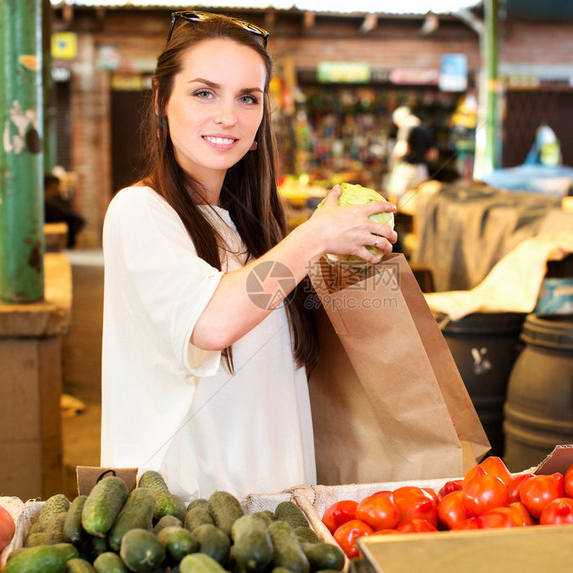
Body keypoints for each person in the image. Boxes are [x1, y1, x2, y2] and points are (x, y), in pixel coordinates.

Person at [100, 11, 397, 500]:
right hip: (188, 520)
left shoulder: (251, 230)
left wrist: (342, 257)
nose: (227, 116)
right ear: (161, 102)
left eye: (247, 98)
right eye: (203, 92)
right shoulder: (139, 212)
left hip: (272, 510)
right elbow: (212, 322)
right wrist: (313, 238)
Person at [385, 106, 438, 201]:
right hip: (422, 169)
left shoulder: (406, 128)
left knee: (395, 198)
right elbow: (433, 155)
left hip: (406, 169)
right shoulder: (426, 129)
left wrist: (394, 156)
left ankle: (396, 216)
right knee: (418, 199)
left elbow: (402, 149)